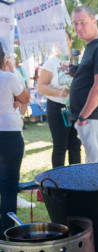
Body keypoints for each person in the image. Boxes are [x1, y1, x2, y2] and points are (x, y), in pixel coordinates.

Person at [70, 5, 98, 163]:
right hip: (91, 118)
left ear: (94, 21)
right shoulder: (91, 46)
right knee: (94, 167)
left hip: (94, 117)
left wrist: (83, 116)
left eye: (83, 22)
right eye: (75, 23)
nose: (78, 27)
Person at [37, 30, 81, 168]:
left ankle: (76, 182)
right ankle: (58, 183)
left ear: (70, 41)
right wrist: (58, 92)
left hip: (76, 108)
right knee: (60, 147)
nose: (62, 43)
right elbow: (40, 86)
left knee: (75, 146)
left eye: (65, 39)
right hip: (57, 108)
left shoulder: (78, 60)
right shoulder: (51, 63)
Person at [0, 44, 30, 236]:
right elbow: (26, 97)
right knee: (9, 187)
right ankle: (7, 231)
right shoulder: (9, 78)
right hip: (9, 134)